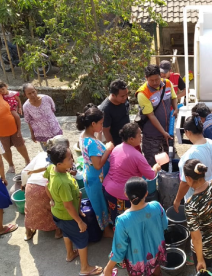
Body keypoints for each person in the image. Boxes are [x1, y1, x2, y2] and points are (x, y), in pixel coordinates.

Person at [46, 145, 103, 275]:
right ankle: (85, 268)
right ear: (59, 163)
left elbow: (47, 185)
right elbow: (68, 205)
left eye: (71, 156)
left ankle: (70, 254)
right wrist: (79, 221)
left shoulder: (52, 168)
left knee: (67, 233)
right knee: (82, 237)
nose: (73, 160)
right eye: (69, 159)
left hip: (58, 213)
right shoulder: (63, 183)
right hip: (68, 216)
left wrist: (51, 198)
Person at [103, 177, 168, 276]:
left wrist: (108, 268)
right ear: (146, 193)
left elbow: (119, 247)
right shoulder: (157, 206)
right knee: (156, 271)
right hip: (156, 252)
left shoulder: (123, 220)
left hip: (136, 261)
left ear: (125, 194)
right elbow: (165, 225)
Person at [103, 123, 161, 223]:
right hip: (121, 195)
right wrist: (155, 167)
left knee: (115, 218)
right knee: (126, 223)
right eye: (139, 135)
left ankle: (116, 235)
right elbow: (151, 175)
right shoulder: (137, 156)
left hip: (108, 190)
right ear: (131, 139)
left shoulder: (117, 148)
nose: (141, 137)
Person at [183, 159, 212, 275]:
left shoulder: (191, 204)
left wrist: (200, 260)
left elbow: (196, 238)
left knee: (205, 272)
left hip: (205, 248)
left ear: (188, 178)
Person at [21, 136, 72, 241]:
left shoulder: (41, 155)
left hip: (31, 186)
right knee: (56, 207)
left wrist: (23, 184)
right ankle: (58, 231)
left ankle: (28, 232)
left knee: (29, 209)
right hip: (47, 188)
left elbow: (24, 172)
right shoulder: (62, 160)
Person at [173, 113, 212, 212]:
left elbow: (185, 183)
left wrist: (177, 200)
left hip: (198, 196)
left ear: (187, 132)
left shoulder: (188, 156)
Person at [77, 105, 113, 237]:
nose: (102, 126)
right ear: (93, 123)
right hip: (97, 179)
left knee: (101, 201)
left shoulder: (85, 136)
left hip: (93, 176)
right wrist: (108, 149)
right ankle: (106, 231)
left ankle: (107, 227)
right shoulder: (91, 143)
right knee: (101, 204)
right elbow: (98, 165)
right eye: (101, 124)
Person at [136, 64, 178, 166]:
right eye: (151, 80)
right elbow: (151, 116)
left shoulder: (167, 83)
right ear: (146, 78)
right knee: (153, 163)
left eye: (157, 79)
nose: (155, 82)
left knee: (170, 159)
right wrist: (163, 132)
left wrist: (176, 108)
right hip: (152, 135)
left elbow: (173, 97)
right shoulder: (142, 93)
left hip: (168, 131)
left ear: (161, 76)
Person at [22, 83, 63, 151]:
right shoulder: (26, 107)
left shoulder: (47, 98)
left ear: (36, 90)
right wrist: (32, 134)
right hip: (42, 134)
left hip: (55, 129)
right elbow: (29, 121)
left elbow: (53, 109)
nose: (32, 95)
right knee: (49, 154)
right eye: (29, 93)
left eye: (33, 92)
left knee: (62, 150)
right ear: (25, 95)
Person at [98, 79, 130, 146]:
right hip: (117, 142)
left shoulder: (123, 100)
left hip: (129, 138)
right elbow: (106, 130)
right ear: (113, 95)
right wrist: (113, 148)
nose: (125, 97)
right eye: (122, 96)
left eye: (126, 94)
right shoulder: (105, 109)